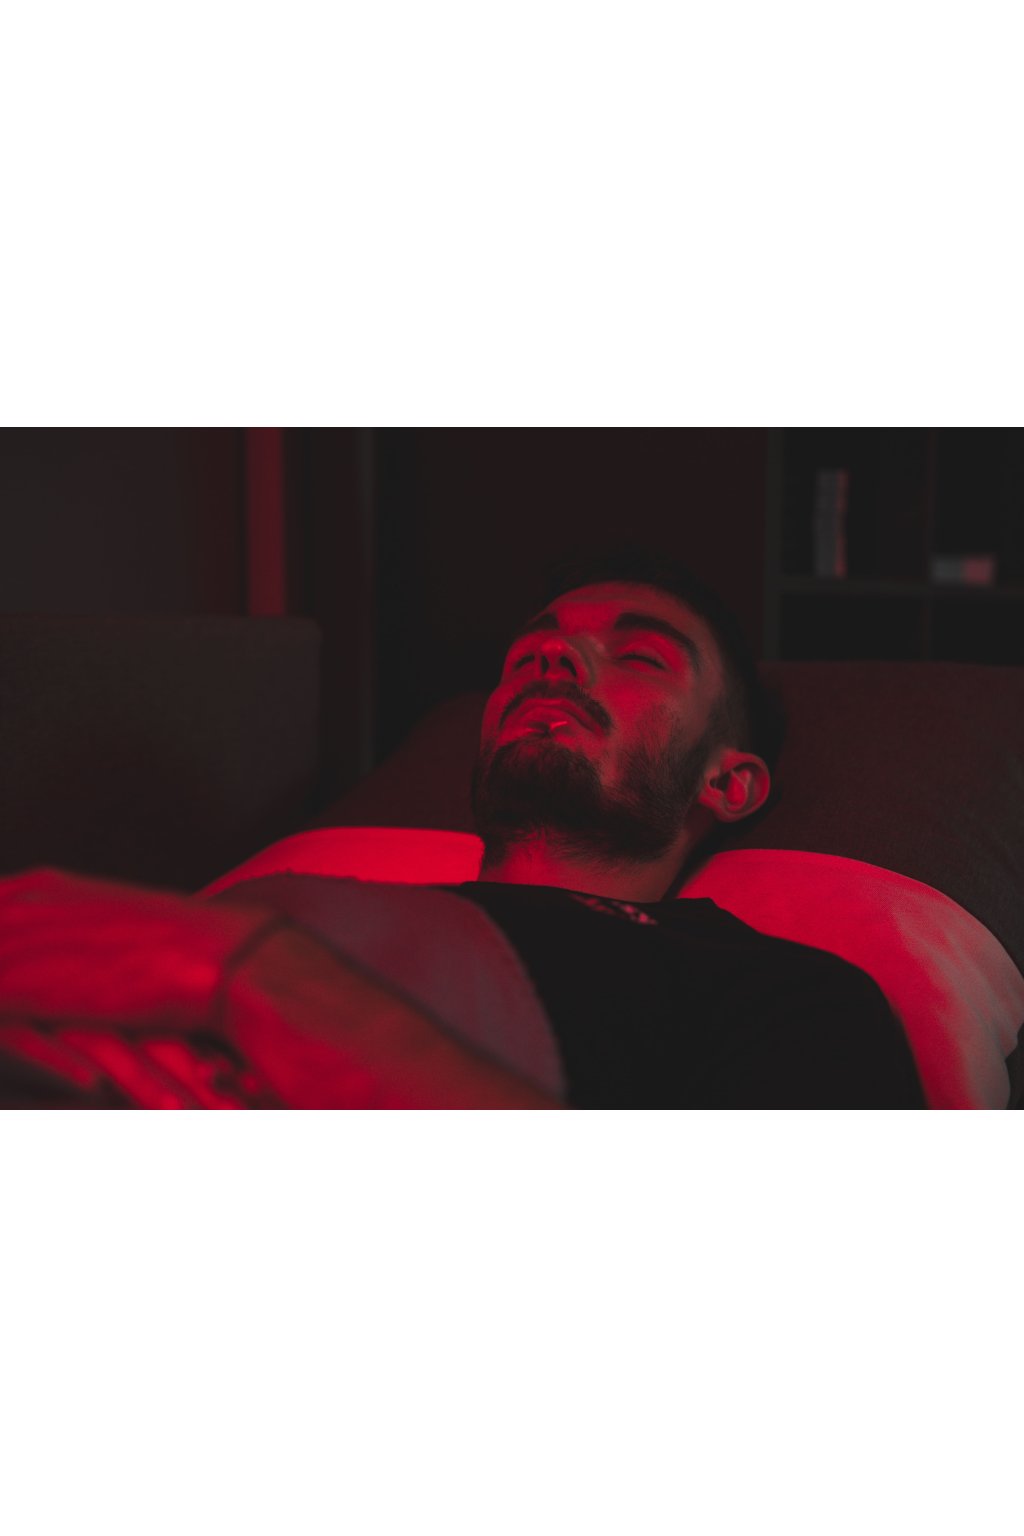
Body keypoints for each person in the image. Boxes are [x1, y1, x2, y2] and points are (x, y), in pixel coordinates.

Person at [0, 548, 926, 1109]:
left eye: (640, 656)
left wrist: (262, 980)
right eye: (530, 651)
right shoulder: (338, 900)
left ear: (729, 781)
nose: (554, 654)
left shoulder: (780, 987)